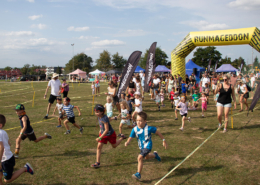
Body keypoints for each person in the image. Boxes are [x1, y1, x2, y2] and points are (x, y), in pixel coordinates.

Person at [125, 112, 167, 180]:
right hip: (141, 147)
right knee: (146, 157)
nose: (138, 122)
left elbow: (158, 133)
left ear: (145, 121)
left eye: (140, 121)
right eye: (137, 120)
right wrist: (127, 142)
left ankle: (138, 174)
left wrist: (164, 140)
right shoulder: (135, 129)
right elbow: (130, 137)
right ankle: (155, 155)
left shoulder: (149, 128)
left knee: (140, 158)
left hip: (148, 146)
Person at [0, 114, 35, 184]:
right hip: (6, 157)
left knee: (7, 180)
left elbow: (1, 147)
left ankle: (26, 168)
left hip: (6, 160)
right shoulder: (3, 132)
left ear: (0, 125)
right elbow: (9, 143)